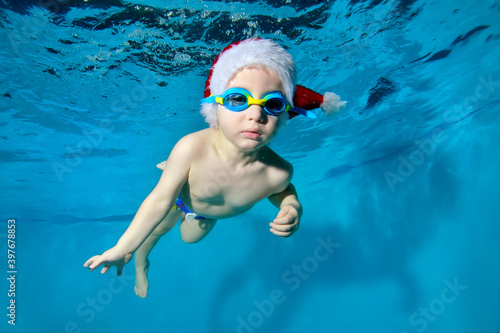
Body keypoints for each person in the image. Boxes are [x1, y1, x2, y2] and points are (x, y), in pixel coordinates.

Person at [84, 38, 345, 298]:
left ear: (286, 113)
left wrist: (292, 206)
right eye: (238, 99)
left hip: (205, 216)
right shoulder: (191, 148)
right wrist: (123, 247)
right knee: (159, 228)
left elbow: (281, 189)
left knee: (190, 238)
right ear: (215, 105)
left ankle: (175, 177)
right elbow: (158, 200)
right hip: (177, 198)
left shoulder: (279, 171)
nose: (256, 115)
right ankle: (140, 260)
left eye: (273, 104)